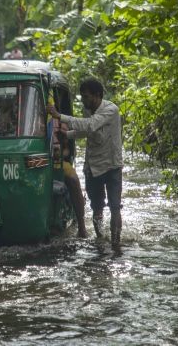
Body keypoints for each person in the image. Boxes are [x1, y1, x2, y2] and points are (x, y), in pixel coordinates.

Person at [47, 77, 123, 246]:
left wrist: (59, 116)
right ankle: (100, 240)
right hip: (93, 165)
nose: (84, 101)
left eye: (86, 97)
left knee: (115, 207)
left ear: (97, 95)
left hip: (111, 165)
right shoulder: (92, 112)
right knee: (97, 207)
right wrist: (67, 135)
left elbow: (89, 126)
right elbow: (87, 130)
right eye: (82, 97)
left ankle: (116, 243)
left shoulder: (111, 110)